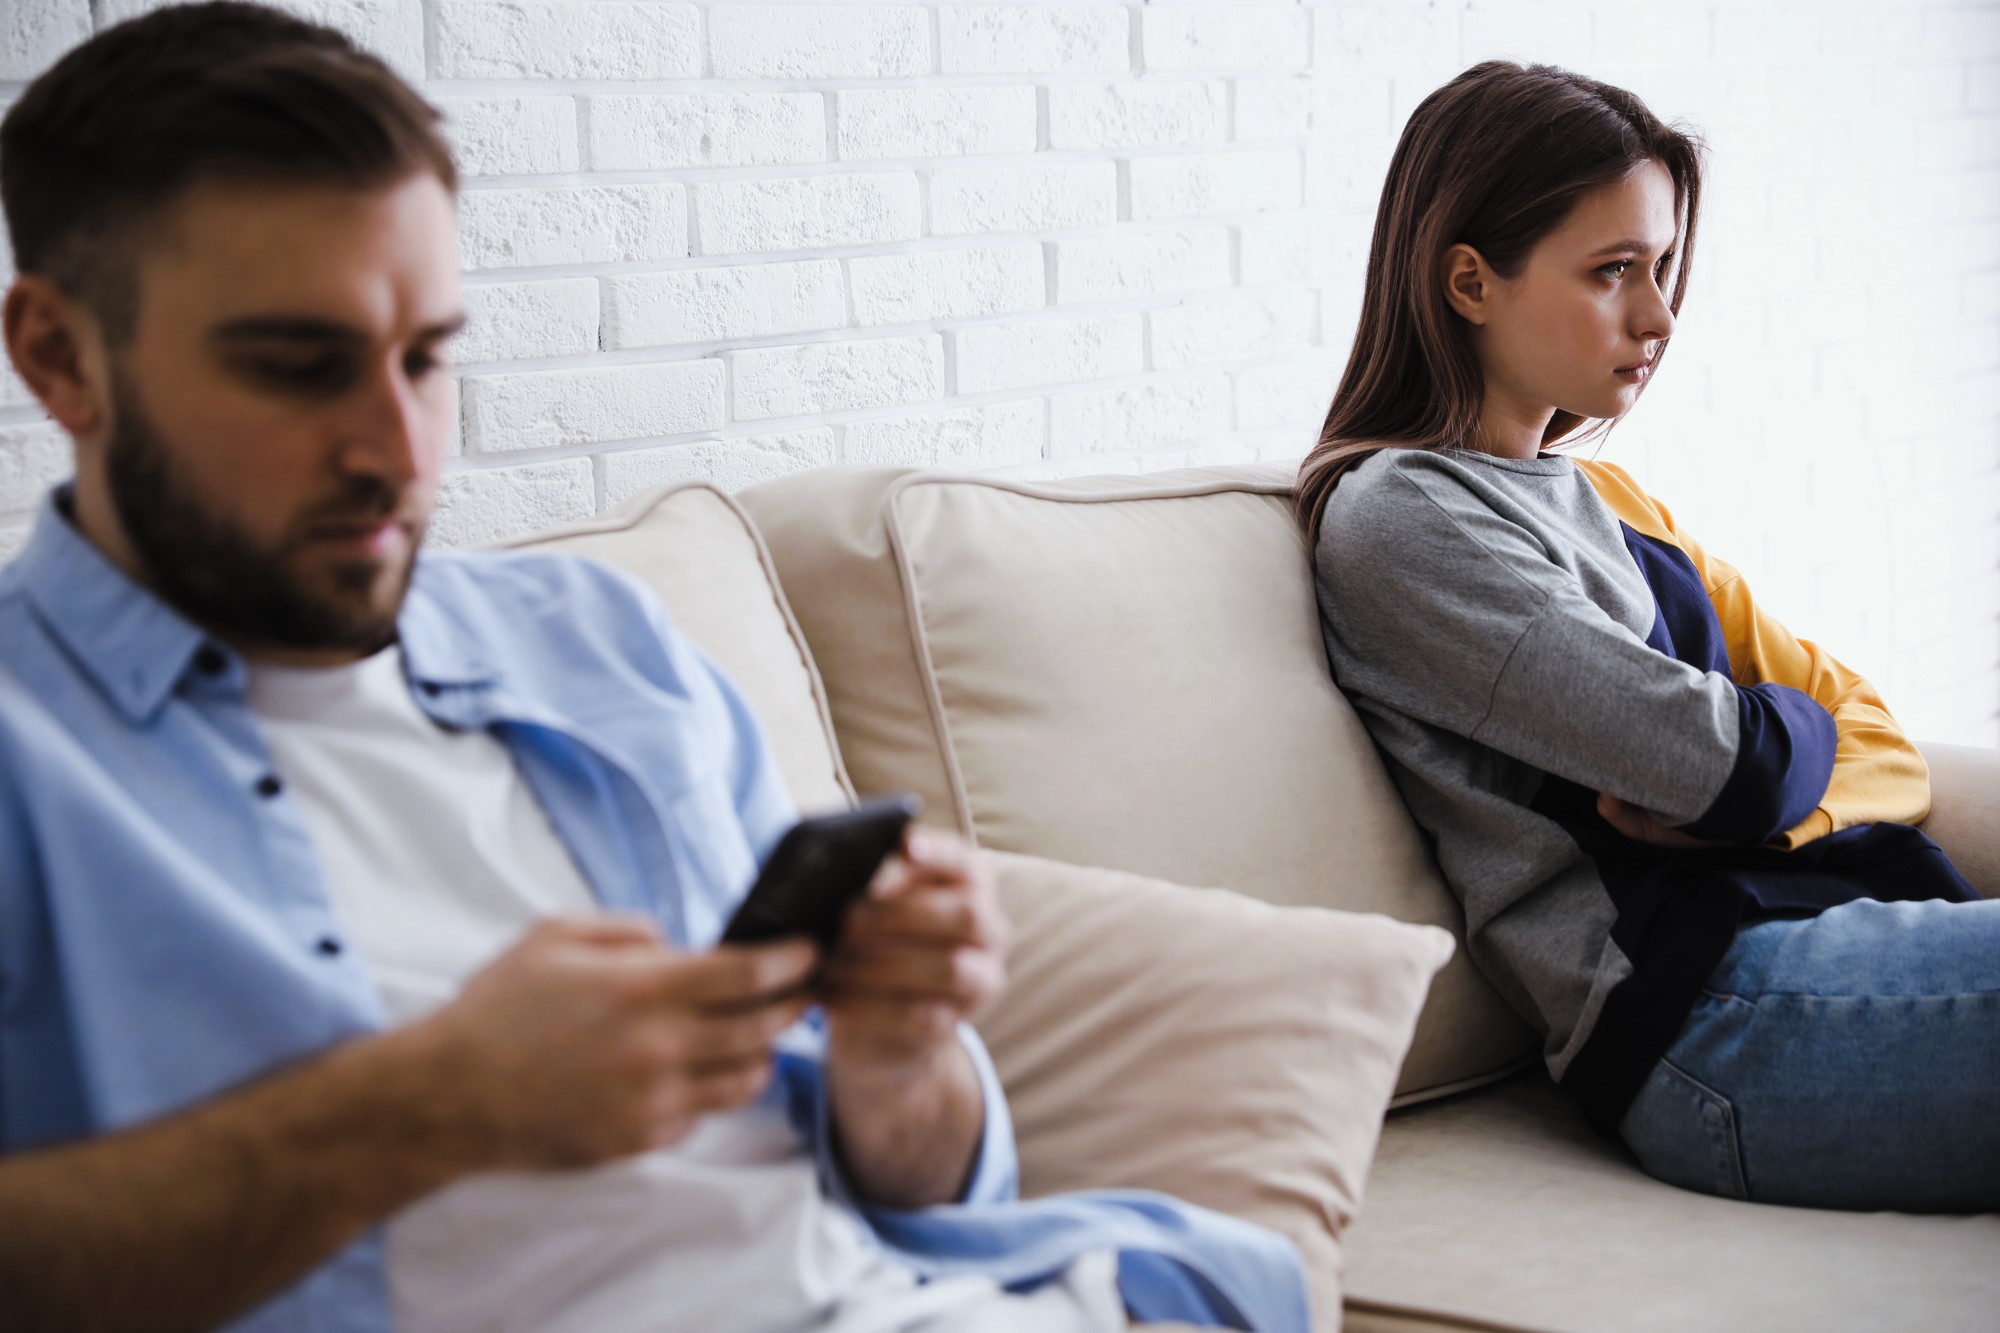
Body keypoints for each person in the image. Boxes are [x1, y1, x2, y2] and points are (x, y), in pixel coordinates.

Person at [0, 6, 1308, 1331]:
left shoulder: (594, 643)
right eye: (297, 365)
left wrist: (895, 1062)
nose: (396, 446)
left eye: (427, 357)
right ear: (59, 356)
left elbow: (909, 1185)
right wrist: (426, 1106)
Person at [1299, 61, 1996, 1213]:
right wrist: (1766, 747)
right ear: (1467, 281)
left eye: (1662, 266)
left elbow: (1839, 730)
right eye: (1612, 271)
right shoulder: (1401, 519)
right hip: (1714, 1019)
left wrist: (1772, 748)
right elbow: (1728, 767)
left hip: (1814, 941)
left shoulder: (1604, 500)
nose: (1658, 316)